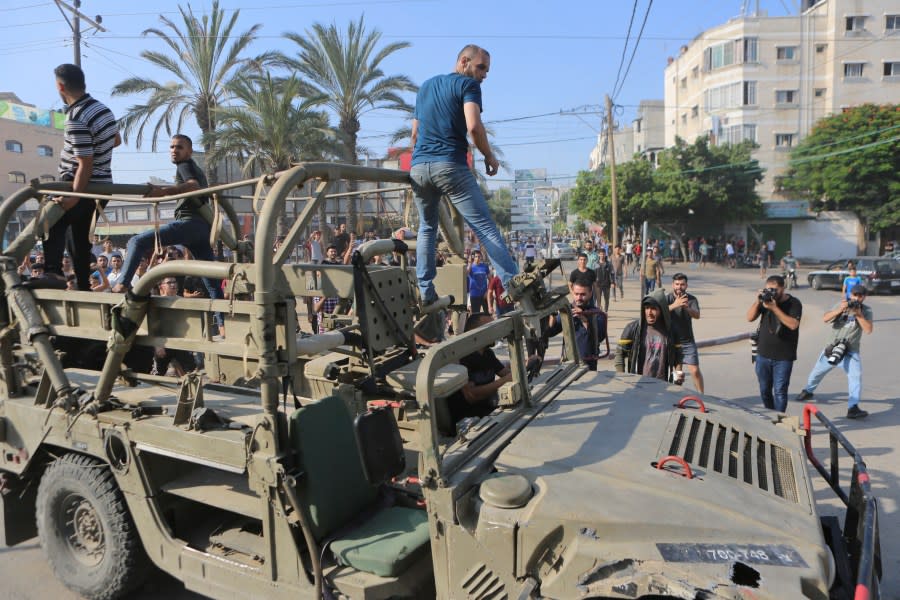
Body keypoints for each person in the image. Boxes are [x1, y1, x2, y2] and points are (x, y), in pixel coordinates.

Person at [410, 44, 518, 309]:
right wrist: (490, 157)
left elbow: (414, 135)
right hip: (449, 165)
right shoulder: (467, 86)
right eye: (481, 67)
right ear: (463, 61)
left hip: (418, 168)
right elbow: (473, 126)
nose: (484, 74)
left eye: (487, 70)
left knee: (427, 227)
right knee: (484, 227)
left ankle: (425, 289)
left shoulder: (425, 87)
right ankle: (514, 283)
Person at [112, 134, 221, 303]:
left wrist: (162, 192)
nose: (174, 151)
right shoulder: (193, 167)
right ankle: (222, 325)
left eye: (179, 147)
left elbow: (193, 185)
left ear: (189, 151)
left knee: (136, 242)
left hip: (189, 223)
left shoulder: (185, 165)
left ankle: (122, 285)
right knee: (212, 281)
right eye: (172, 147)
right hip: (201, 228)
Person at [44, 63, 121, 290]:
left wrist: (74, 197)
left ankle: (53, 273)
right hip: (102, 185)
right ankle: (83, 286)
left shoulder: (76, 117)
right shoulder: (102, 109)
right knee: (78, 242)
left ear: (60, 86)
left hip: (79, 184)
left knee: (49, 221)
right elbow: (116, 140)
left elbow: (84, 164)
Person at [795, 285, 873, 419]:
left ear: (864, 297)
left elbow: (868, 330)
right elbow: (825, 318)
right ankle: (808, 390)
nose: (857, 298)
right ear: (851, 295)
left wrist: (858, 314)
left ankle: (853, 408)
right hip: (832, 348)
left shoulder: (866, 310)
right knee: (817, 372)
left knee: (856, 377)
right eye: (855, 295)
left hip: (850, 351)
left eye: (860, 296)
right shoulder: (841, 304)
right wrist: (840, 310)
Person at [747, 275, 802, 412]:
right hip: (763, 354)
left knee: (780, 392)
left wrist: (774, 308)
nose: (772, 293)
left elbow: (793, 325)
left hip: (783, 357)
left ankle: (779, 419)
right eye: (768, 289)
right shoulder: (765, 301)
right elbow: (749, 318)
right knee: (764, 390)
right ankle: (770, 414)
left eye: (775, 290)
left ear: (783, 288)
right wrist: (757, 301)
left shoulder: (794, 303)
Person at [446, 312, 512, 424]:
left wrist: (523, 366)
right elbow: (471, 395)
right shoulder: (460, 357)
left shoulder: (487, 353)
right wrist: (504, 380)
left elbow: (506, 373)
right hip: (470, 419)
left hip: (489, 412)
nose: (494, 332)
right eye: (490, 328)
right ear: (474, 332)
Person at [614, 289, 676, 382]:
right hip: (638, 383)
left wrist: (677, 376)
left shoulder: (670, 330)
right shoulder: (633, 328)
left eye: (653, 308)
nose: (649, 313)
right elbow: (619, 353)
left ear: (662, 310)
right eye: (647, 308)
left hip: (662, 384)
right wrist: (623, 377)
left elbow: (678, 356)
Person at [549, 279, 606, 371]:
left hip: (588, 364)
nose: (579, 298)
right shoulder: (568, 311)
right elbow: (551, 331)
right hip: (568, 363)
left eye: (583, 294)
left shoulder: (597, 314)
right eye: (576, 294)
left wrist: (584, 319)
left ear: (590, 293)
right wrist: (552, 315)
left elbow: (599, 336)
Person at [666, 273, 704, 393]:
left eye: (682, 284)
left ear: (686, 286)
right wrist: (674, 305)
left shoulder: (691, 299)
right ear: (673, 285)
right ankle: (677, 398)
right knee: (678, 375)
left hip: (687, 341)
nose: (679, 287)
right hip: (672, 342)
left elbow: (697, 315)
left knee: (695, 371)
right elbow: (659, 313)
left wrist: (687, 307)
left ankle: (702, 397)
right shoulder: (667, 299)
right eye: (677, 284)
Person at [594, 248, 616, 312]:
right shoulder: (596, 264)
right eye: (601, 254)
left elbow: (612, 273)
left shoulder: (609, 264)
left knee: (607, 299)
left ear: (605, 254)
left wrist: (612, 282)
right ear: (598, 255)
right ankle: (599, 311)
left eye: (603, 254)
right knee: (598, 299)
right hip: (598, 284)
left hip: (607, 284)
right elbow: (593, 274)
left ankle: (606, 311)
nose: (602, 255)